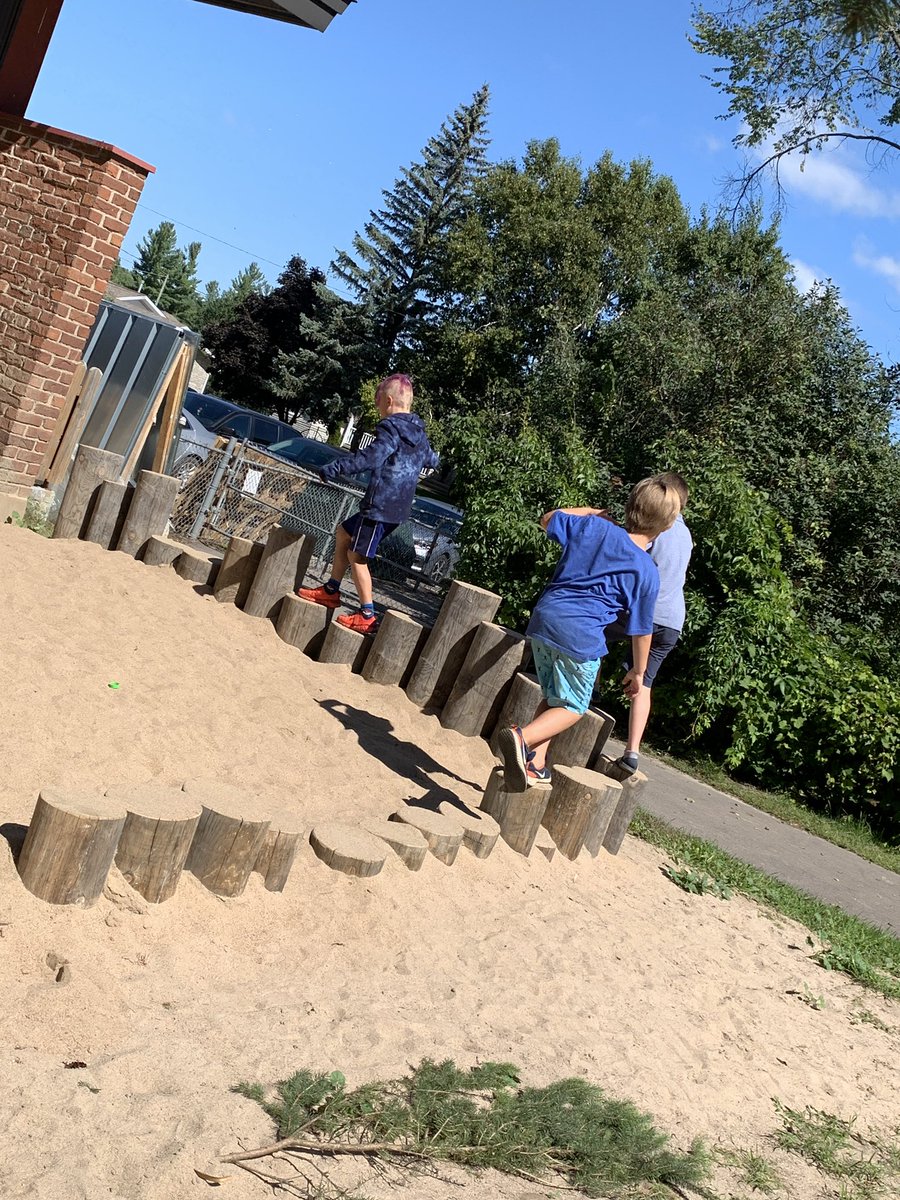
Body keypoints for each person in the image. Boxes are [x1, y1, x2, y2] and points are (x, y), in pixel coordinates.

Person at [497, 475, 681, 791]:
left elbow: (547, 519)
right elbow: (641, 631)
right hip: (580, 637)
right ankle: (520, 737)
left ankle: (535, 763)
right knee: (573, 707)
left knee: (556, 697)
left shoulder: (595, 527)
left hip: (545, 621)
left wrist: (589, 511)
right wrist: (639, 672)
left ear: (629, 506)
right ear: (666, 526)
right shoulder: (646, 571)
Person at [298, 374, 438, 634]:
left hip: (380, 507)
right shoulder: (418, 433)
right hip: (397, 509)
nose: (378, 410)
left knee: (357, 556)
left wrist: (334, 468)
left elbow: (372, 457)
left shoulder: (391, 428)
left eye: (377, 404)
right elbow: (432, 461)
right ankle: (331, 590)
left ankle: (367, 615)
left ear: (387, 400)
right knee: (344, 532)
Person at [604, 471, 692, 779]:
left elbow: (632, 559)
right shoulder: (686, 534)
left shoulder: (658, 528)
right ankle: (632, 751)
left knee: (595, 633)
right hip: (673, 620)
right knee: (644, 683)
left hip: (643, 612)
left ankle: (581, 697)